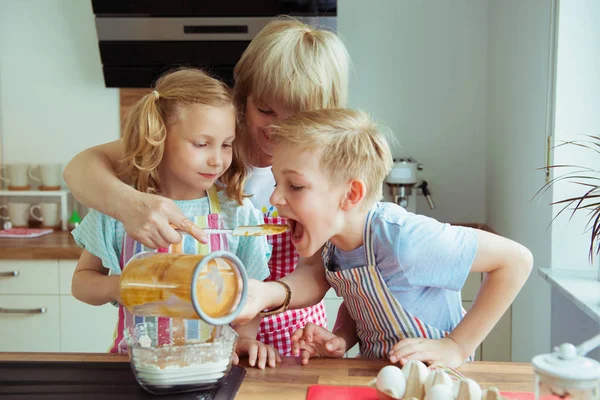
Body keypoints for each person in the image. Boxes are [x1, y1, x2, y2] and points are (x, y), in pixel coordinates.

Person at [63, 17, 350, 368]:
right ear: (243, 97)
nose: (278, 128)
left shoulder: (327, 167)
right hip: (194, 352)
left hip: (294, 344)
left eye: (299, 117)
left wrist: (257, 301)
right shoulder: (204, 140)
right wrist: (129, 205)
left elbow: (316, 272)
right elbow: (81, 166)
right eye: (265, 110)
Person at [259, 108, 533, 368]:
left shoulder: (405, 240)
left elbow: (516, 261)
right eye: (275, 182)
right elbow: (363, 301)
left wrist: (456, 346)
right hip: (379, 378)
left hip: (437, 381)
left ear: (351, 195)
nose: (275, 198)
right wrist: (341, 337)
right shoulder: (333, 243)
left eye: (295, 185)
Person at [70, 68, 271, 355]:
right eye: (202, 144)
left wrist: (246, 339)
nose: (217, 160)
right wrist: (123, 285)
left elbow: (251, 290)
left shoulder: (237, 211)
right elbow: (81, 283)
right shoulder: (121, 208)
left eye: (226, 145)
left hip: (213, 363)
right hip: (136, 364)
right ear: (158, 138)